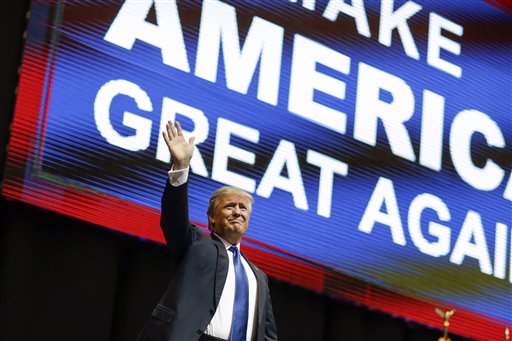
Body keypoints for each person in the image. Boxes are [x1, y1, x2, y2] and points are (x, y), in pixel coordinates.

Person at [137, 121, 277, 341]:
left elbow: (268, 335)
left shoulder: (259, 277)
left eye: (243, 208)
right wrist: (181, 165)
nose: (238, 212)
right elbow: (173, 218)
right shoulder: (196, 244)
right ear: (212, 217)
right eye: (230, 206)